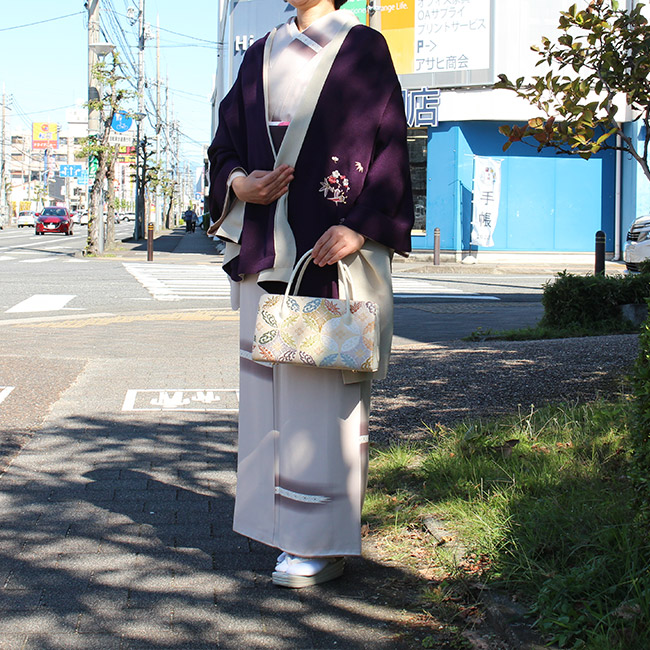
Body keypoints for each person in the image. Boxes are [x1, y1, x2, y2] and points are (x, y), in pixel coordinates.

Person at [207, 0, 414, 588]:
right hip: (265, 249)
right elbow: (223, 144)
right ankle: (278, 527)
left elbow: (390, 148)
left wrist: (363, 224)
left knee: (322, 397)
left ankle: (320, 542)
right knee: (267, 400)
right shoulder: (258, 55)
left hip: (326, 249)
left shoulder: (363, 46)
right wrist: (239, 182)